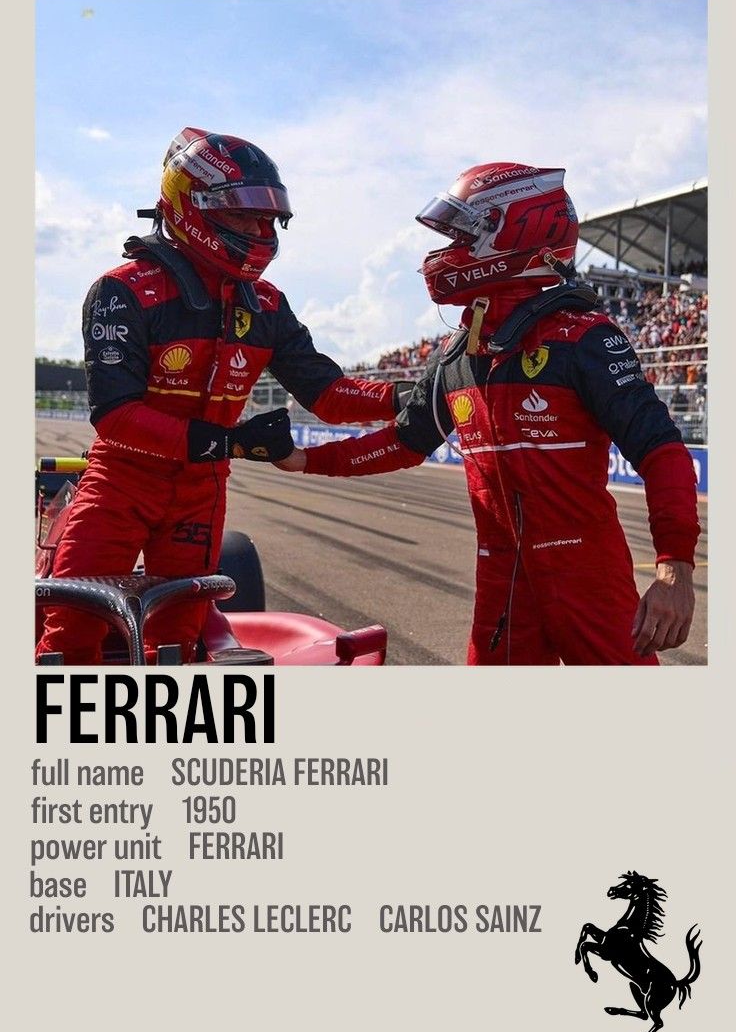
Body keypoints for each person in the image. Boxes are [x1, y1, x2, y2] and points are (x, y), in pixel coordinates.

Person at [277, 162, 700, 665]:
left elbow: (662, 451)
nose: (447, 251)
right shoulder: (459, 351)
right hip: (501, 583)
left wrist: (675, 569)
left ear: (518, 233)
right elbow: (406, 442)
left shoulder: (584, 339)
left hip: (588, 577)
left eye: (463, 235)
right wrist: (306, 460)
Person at [36, 127, 409, 664]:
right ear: (189, 205)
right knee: (70, 632)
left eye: (266, 218)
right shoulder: (123, 291)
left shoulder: (268, 305)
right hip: (120, 481)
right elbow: (116, 417)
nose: (258, 230)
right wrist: (227, 442)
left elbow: (328, 394)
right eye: (241, 216)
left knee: (178, 641)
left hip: (200, 492)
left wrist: (407, 397)